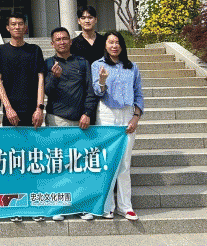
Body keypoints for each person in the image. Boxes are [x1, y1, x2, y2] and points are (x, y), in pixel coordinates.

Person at [0, 13, 45, 223]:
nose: (17, 27)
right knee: (12, 160)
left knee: (33, 160)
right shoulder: (1, 51)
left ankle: (35, 204)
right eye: (13, 24)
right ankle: (14, 205)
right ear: (7, 28)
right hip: (11, 113)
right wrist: (7, 108)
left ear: (25, 27)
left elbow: (41, 79)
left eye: (21, 24)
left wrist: (39, 108)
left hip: (33, 112)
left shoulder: (35, 50)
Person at [44, 27, 98, 221]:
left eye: (65, 38)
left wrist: (87, 113)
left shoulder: (82, 62)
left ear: (70, 41)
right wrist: (54, 77)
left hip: (80, 120)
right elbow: (46, 91)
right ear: (52, 44)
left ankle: (81, 205)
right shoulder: (48, 63)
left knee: (80, 165)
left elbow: (90, 90)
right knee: (59, 163)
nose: (62, 42)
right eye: (57, 39)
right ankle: (59, 206)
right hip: (57, 118)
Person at [92, 31, 144, 221]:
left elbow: (138, 93)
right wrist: (102, 80)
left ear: (122, 45)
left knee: (124, 162)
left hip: (128, 113)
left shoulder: (132, 67)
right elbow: (97, 91)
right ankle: (107, 206)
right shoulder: (97, 65)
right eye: (110, 42)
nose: (114, 46)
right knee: (108, 161)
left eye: (117, 42)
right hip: (107, 113)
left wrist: (136, 117)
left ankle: (125, 206)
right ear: (105, 45)